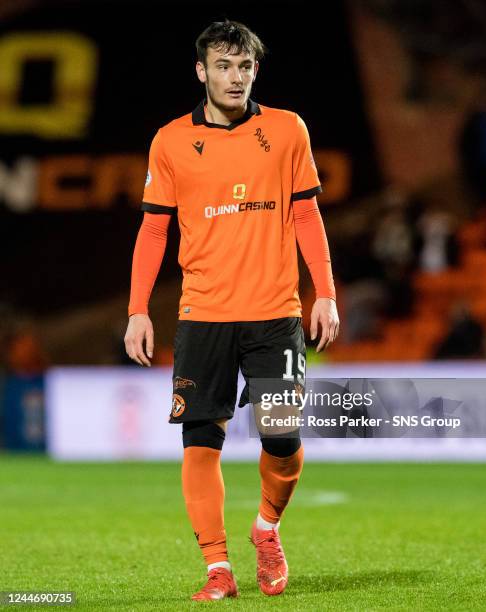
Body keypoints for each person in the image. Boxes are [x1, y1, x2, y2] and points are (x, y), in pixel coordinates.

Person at [124, 19, 339, 601]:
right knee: (200, 439)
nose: (235, 77)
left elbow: (306, 217)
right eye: (223, 65)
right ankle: (218, 568)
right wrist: (137, 310)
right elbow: (152, 231)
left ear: (255, 71)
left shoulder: (288, 129)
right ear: (201, 71)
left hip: (275, 313)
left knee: (283, 438)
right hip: (203, 315)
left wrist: (326, 291)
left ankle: (267, 528)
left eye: (244, 66)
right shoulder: (170, 141)